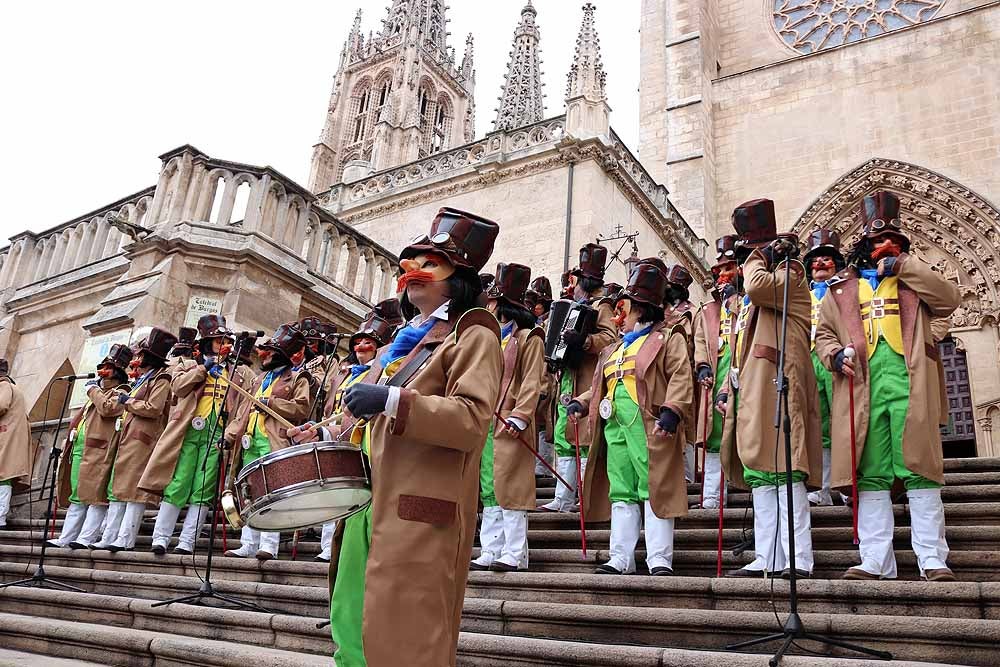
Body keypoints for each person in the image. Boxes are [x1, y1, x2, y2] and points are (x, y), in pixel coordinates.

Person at [291, 206, 503, 667]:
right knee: (350, 614)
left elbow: (470, 420)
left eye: (431, 263)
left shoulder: (473, 335)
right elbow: (359, 413)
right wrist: (325, 428)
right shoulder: (396, 344)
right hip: (368, 496)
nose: (414, 271)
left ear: (459, 278)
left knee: (408, 631)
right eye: (412, 262)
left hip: (418, 502)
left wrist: (391, 402)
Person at [815, 191, 961, 582]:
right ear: (864, 248)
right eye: (877, 243)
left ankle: (932, 558)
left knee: (920, 470)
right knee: (871, 473)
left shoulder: (916, 283)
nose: (883, 248)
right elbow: (824, 335)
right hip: (862, 390)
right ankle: (876, 559)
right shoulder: (841, 289)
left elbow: (950, 299)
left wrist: (906, 266)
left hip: (909, 385)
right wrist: (833, 355)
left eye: (892, 243)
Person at [719, 199, 823, 579]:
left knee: (788, 471)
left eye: (751, 253)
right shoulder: (756, 293)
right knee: (763, 473)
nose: (747, 260)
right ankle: (769, 556)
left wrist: (756, 256)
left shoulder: (790, 277)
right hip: (755, 391)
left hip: (781, 387)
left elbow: (760, 285)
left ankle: (799, 558)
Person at [567, 259, 692, 575]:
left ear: (641, 309)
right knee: (621, 491)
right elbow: (599, 385)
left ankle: (659, 558)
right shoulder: (612, 349)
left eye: (624, 308)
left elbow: (680, 375)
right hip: (615, 429)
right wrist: (581, 404)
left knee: (654, 489)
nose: (618, 316)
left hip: (650, 427)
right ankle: (620, 557)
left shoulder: (668, 337)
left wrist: (672, 410)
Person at [314, 299, 401, 563]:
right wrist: (320, 430)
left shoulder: (381, 372)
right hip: (336, 434)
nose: (362, 347)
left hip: (364, 437)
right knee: (333, 490)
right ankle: (329, 545)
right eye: (358, 342)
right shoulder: (342, 373)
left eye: (368, 343)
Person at [471, 262, 545, 572]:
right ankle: (490, 548)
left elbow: (532, 380)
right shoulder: (490, 339)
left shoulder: (530, 338)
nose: (486, 306)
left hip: (510, 421)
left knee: (512, 486)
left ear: (502, 306)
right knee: (489, 486)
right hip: (486, 421)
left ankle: (516, 552)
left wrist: (521, 415)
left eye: (491, 302)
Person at [141, 316, 235, 556]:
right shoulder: (187, 366)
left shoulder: (236, 372)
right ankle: (161, 537)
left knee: (203, 489)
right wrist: (204, 369)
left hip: (215, 433)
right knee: (179, 482)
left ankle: (187, 541)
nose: (223, 344)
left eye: (225, 340)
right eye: (218, 340)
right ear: (207, 343)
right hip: (189, 431)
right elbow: (178, 387)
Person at [222, 324, 314, 560]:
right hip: (249, 442)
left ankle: (269, 544)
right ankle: (248, 543)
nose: (265, 355)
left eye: (270, 352)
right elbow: (243, 411)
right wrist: (229, 436)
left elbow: (302, 407)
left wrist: (271, 402)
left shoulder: (297, 377)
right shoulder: (259, 379)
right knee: (248, 493)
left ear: (280, 355)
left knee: (271, 493)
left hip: (274, 441)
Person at [538, 244, 617, 513]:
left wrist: (584, 341)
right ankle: (563, 496)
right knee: (563, 436)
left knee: (583, 438)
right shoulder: (569, 305)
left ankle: (585, 497)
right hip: (567, 377)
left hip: (586, 378)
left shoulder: (602, 306)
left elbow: (610, 339)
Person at [93, 328, 177, 552]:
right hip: (129, 440)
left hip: (143, 441)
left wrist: (128, 402)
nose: (136, 360)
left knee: (134, 493)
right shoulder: (144, 380)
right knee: (120, 490)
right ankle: (110, 536)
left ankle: (126, 538)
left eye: (140, 355)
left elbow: (154, 408)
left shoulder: (162, 379)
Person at [48, 345, 133, 548]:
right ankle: (66, 537)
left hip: (100, 450)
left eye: (108, 367)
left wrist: (93, 390)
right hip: (81, 448)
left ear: (117, 372)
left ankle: (86, 537)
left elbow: (108, 409)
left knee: (95, 496)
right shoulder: (98, 391)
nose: (103, 370)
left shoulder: (121, 391)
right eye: (102, 366)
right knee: (77, 494)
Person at [692, 236, 741, 509]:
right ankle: (713, 494)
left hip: (738, 371)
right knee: (713, 434)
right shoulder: (708, 310)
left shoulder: (745, 303)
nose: (722, 276)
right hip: (714, 373)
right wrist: (702, 366)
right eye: (719, 272)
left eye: (728, 270)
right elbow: (700, 340)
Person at [803, 229, 845, 507]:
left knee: (843, 423)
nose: (820, 264)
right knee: (818, 428)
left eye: (826, 259)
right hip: (808, 360)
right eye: (815, 260)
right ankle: (824, 486)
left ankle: (846, 485)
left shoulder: (845, 291)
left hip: (836, 361)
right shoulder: (801, 295)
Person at [0, 359, 34, 530]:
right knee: (4, 477)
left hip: (5, 437)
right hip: (8, 437)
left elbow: (1, 405)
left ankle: (0, 518)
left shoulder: (4, 386)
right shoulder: (13, 387)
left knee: (3, 477)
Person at [299, 317, 340, 422]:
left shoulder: (330, 360)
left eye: (312, 342)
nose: (308, 345)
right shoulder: (301, 359)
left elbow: (327, 387)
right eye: (306, 342)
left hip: (313, 408)